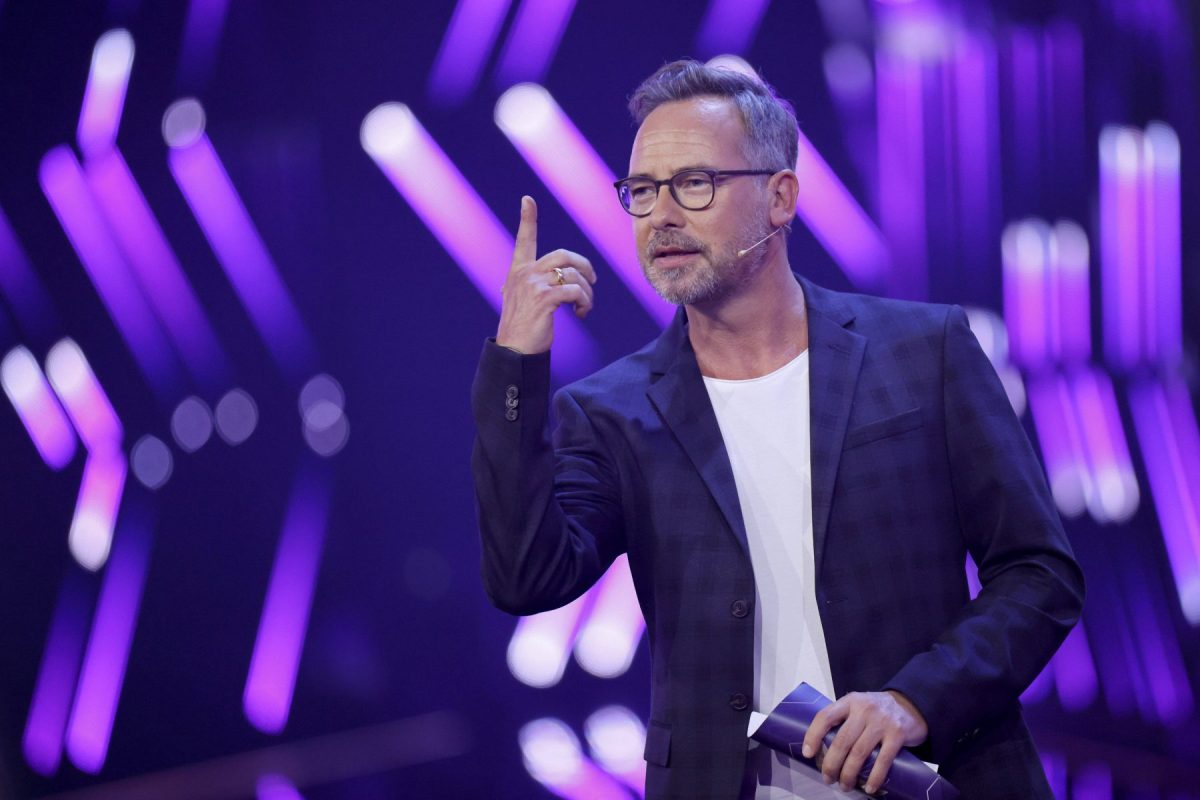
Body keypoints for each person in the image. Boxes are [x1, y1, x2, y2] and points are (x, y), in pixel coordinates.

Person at [471, 59, 1084, 800]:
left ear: (781, 196)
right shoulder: (610, 412)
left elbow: (1038, 573)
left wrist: (916, 700)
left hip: (937, 775)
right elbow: (527, 578)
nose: (661, 215)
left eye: (694, 183)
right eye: (643, 190)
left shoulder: (925, 352)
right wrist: (516, 366)